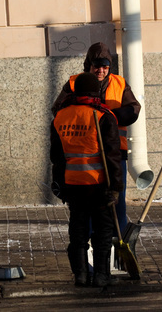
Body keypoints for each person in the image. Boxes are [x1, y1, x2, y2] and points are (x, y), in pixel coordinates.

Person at [52, 42, 140, 234]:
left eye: (105, 67)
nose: (100, 71)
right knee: (89, 205)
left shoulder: (120, 83)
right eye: (96, 66)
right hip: (83, 152)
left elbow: (133, 109)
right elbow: (58, 109)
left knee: (117, 201)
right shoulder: (75, 83)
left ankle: (119, 241)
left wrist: (108, 118)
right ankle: (92, 242)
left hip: (115, 151)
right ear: (88, 65)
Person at [50, 72, 123, 287]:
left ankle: (80, 275)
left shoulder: (60, 117)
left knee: (78, 231)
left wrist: (60, 185)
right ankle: (101, 276)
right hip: (100, 184)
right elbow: (112, 156)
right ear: (96, 91)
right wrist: (116, 187)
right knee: (102, 231)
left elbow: (56, 156)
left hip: (73, 184)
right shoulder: (103, 116)